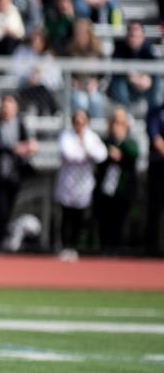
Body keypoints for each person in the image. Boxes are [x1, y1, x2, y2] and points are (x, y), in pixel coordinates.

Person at [0, 94, 37, 254]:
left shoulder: (20, 124)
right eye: (4, 104)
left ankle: (3, 242)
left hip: (15, 174)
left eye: (9, 104)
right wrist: (13, 148)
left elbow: (27, 143)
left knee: (8, 209)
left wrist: (29, 147)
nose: (6, 108)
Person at [54, 109, 107, 261]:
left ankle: (74, 247)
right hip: (68, 181)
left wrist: (84, 146)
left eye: (82, 122)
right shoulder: (66, 136)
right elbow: (69, 154)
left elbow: (100, 154)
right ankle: (64, 246)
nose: (79, 125)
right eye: (77, 121)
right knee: (66, 215)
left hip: (84, 183)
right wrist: (85, 153)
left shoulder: (91, 136)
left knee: (80, 217)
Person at [93, 107, 138, 255]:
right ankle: (103, 249)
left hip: (122, 190)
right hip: (105, 189)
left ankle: (118, 250)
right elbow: (98, 155)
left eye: (120, 123)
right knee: (104, 221)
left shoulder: (129, 142)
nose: (116, 127)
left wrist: (121, 148)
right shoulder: (105, 141)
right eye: (114, 123)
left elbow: (133, 153)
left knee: (120, 221)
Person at [108, 21, 161, 112]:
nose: (134, 38)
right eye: (132, 35)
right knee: (119, 81)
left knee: (156, 78)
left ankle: (153, 114)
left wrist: (147, 78)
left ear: (142, 36)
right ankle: (127, 116)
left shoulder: (148, 49)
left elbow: (154, 68)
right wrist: (133, 78)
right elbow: (115, 72)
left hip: (142, 87)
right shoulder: (119, 48)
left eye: (137, 35)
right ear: (127, 36)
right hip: (125, 88)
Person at [147, 103, 164, 256]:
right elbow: (156, 140)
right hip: (158, 168)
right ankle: (152, 249)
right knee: (155, 209)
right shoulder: (155, 112)